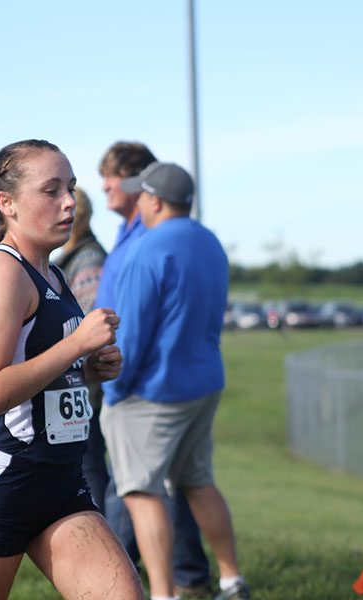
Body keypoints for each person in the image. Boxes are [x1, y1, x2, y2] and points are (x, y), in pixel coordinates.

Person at [0, 139, 143, 600]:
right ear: (7, 204)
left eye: (70, 188)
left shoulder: (52, 273)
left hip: (63, 485)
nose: (68, 201)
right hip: (5, 486)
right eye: (51, 191)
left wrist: (87, 368)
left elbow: (37, 371)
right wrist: (75, 346)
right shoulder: (3, 271)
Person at [101, 162, 249, 600]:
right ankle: (231, 580)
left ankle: (163, 595)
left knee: (143, 493)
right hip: (203, 385)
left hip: (151, 393)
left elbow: (132, 334)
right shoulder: (210, 242)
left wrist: (114, 390)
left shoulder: (147, 250)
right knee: (198, 480)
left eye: (142, 196)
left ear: (156, 201)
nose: (139, 203)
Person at [96, 141, 212, 596]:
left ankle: (130, 583)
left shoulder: (150, 239)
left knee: (136, 491)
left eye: (119, 177)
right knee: (172, 485)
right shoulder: (136, 232)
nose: (106, 184)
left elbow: (139, 325)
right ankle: (197, 577)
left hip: (137, 385)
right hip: (140, 379)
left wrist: (117, 387)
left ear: (146, 190)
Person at [53, 187, 108, 512]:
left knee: (90, 472)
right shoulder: (71, 258)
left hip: (83, 388)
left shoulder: (87, 261)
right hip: (74, 386)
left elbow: (91, 327)